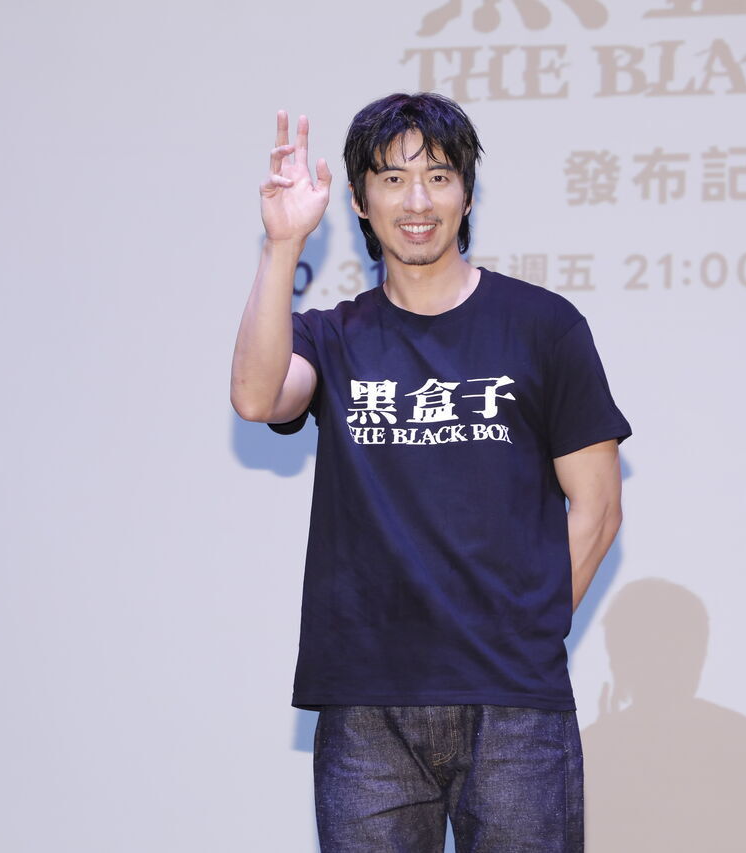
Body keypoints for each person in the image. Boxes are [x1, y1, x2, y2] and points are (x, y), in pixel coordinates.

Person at [230, 92, 631, 852]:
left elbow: (599, 507)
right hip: (366, 703)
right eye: (392, 179)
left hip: (513, 706)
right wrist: (282, 245)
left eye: (439, 177)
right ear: (359, 200)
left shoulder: (544, 326)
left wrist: (527, 637)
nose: (417, 202)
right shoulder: (332, 337)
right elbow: (256, 397)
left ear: (467, 194)